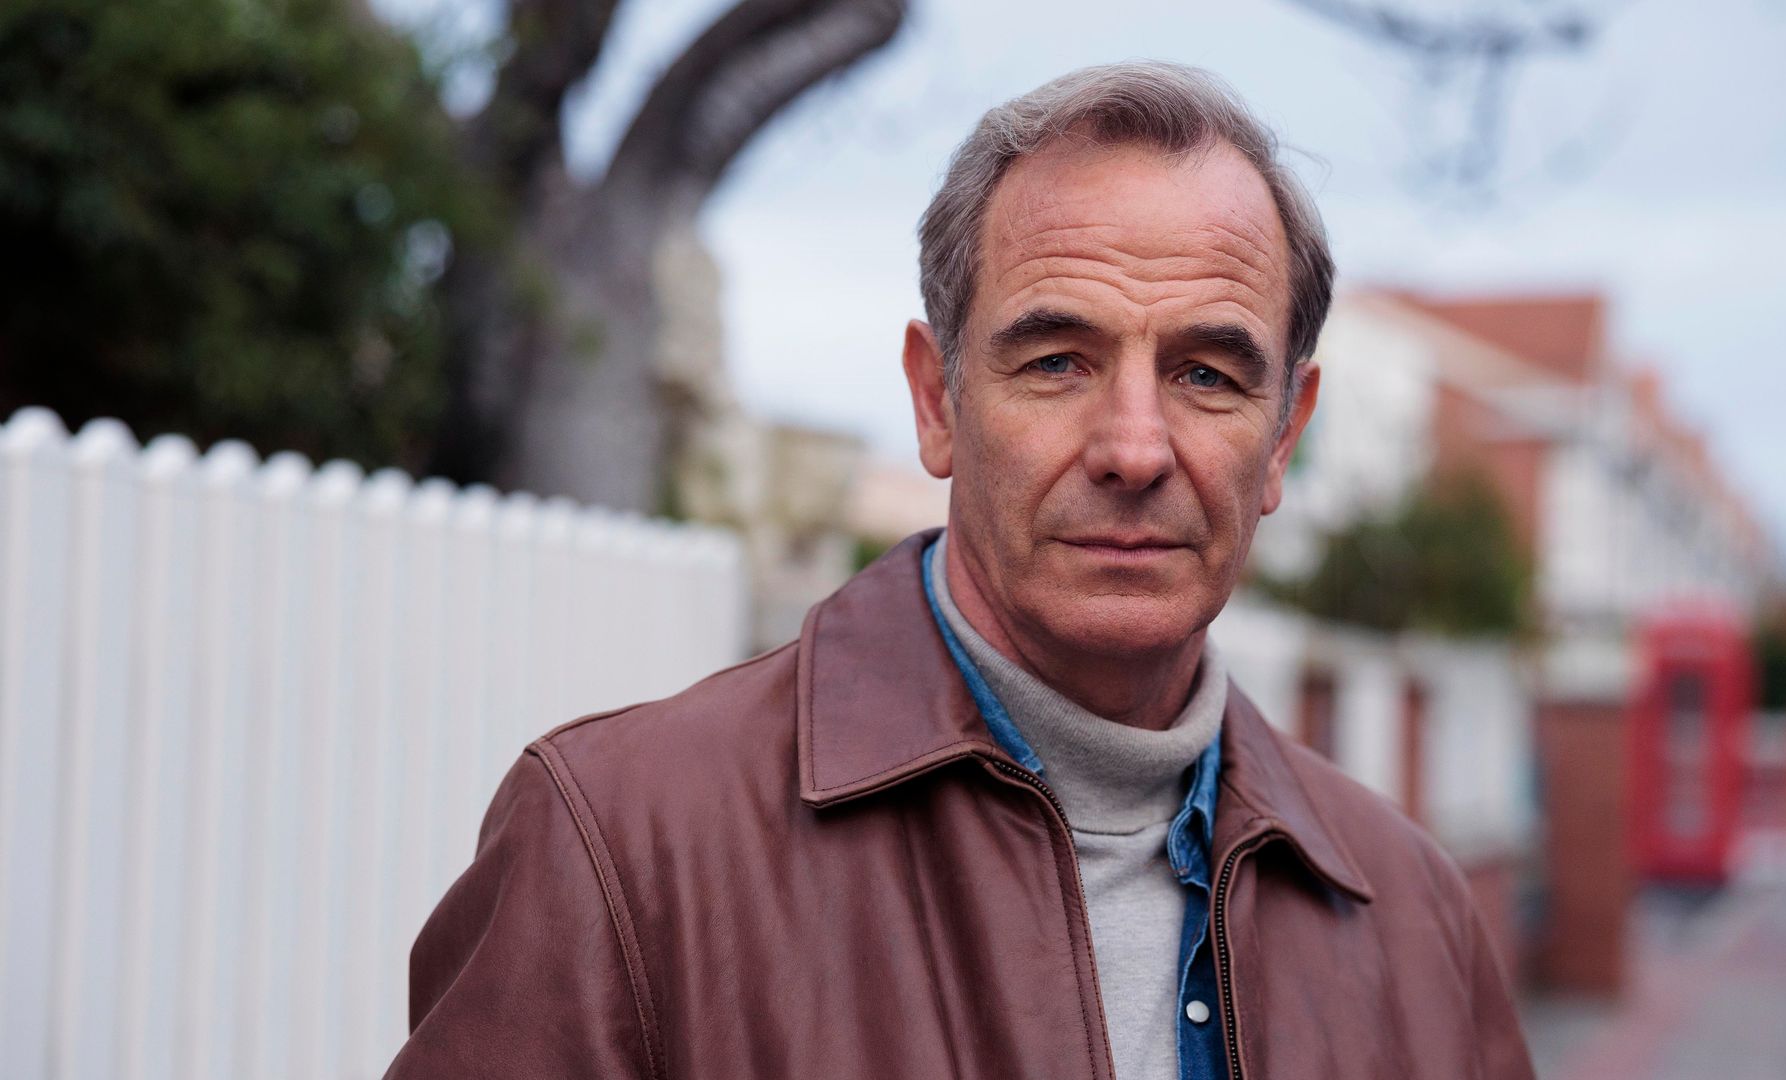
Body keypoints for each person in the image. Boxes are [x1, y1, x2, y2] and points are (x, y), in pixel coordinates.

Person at [387, 61, 1535, 1080]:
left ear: (1284, 436)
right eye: (1057, 361)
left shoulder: (1416, 919)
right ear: (937, 401)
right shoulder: (623, 850)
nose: (1135, 448)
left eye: (1207, 376)